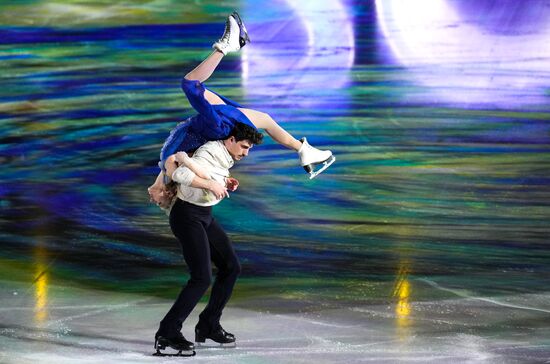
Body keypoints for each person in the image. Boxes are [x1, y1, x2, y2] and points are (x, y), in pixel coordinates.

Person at [148, 11, 335, 210]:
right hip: (211, 127)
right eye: (159, 202)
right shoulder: (170, 172)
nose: (153, 200)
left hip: (206, 126)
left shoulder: (165, 173)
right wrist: (213, 182)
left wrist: (220, 179)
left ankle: (304, 150)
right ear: (166, 193)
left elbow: (190, 163)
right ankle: (227, 45)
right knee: (190, 85)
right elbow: (179, 162)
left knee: (263, 119)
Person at [154, 122, 264, 356]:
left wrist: (224, 182)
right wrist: (210, 184)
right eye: (244, 147)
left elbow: (211, 174)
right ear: (231, 140)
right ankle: (167, 331)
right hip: (187, 216)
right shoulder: (210, 152)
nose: (246, 153)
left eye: (249, 149)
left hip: (203, 215)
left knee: (231, 267)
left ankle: (208, 325)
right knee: (201, 277)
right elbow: (181, 173)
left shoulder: (225, 155)